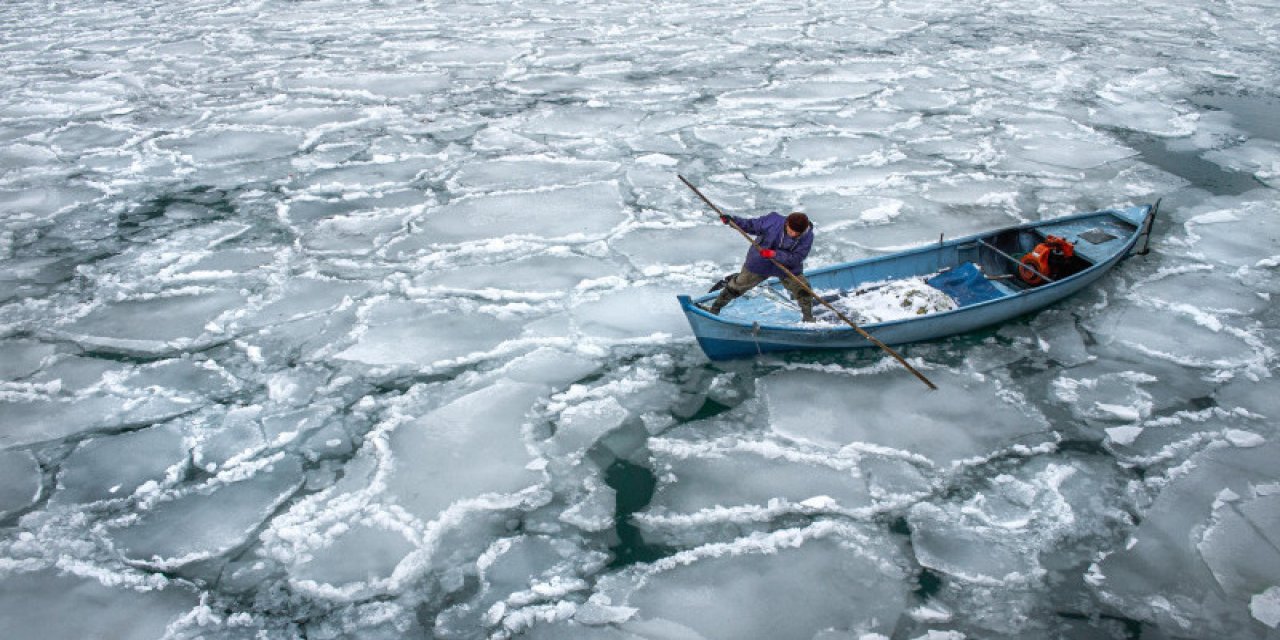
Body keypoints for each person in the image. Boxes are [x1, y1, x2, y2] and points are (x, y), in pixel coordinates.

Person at [708, 211, 816, 321]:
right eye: (790, 231)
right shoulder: (773, 221)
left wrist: (774, 254)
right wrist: (733, 221)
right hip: (760, 262)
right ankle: (714, 310)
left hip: (787, 267)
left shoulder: (808, 236)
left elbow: (797, 258)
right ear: (786, 223)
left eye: (796, 233)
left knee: (804, 290)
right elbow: (751, 225)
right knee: (736, 287)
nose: (792, 234)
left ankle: (808, 318)